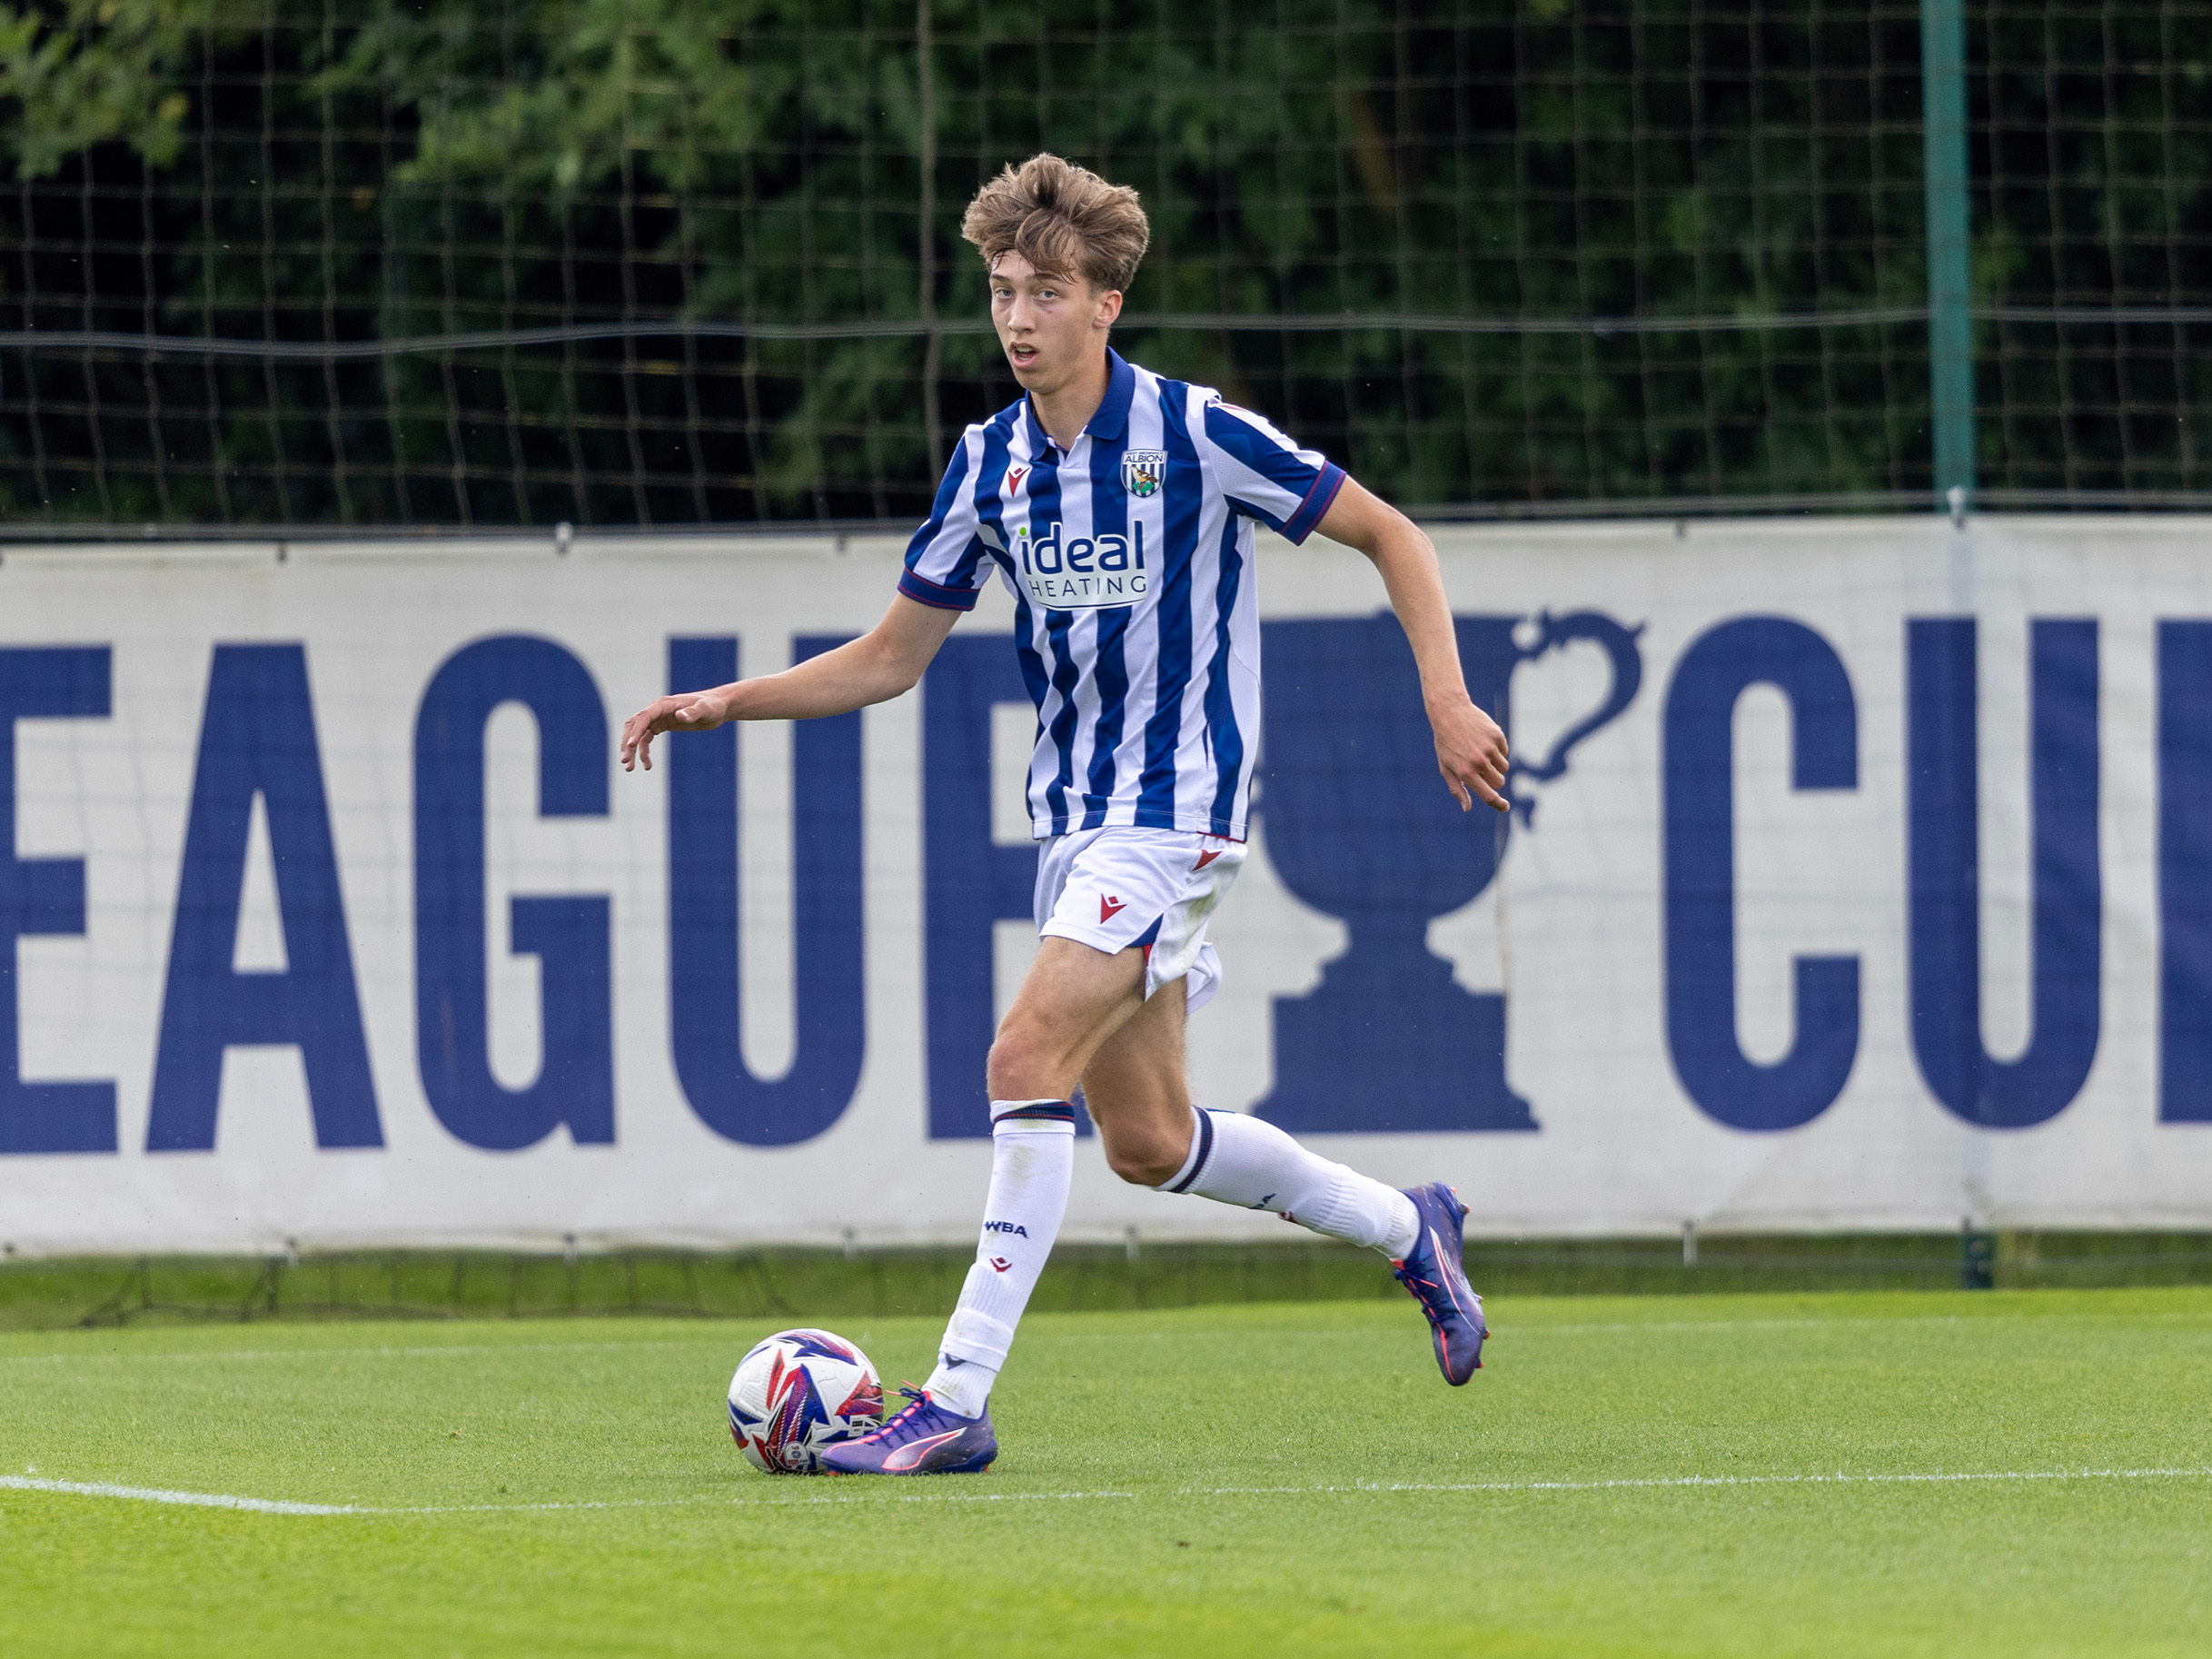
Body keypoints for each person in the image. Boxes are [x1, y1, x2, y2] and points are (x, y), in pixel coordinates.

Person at [620, 154, 1509, 1476]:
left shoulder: (1195, 433)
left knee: (1019, 1056)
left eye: (1044, 290)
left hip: (1179, 811)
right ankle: (1407, 1226)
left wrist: (1444, 694)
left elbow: (1394, 535)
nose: (1017, 317)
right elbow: (889, 657)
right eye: (999, 290)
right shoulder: (985, 465)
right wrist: (728, 702)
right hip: (1074, 827)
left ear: (1107, 304)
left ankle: (955, 1395)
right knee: (1149, 1142)